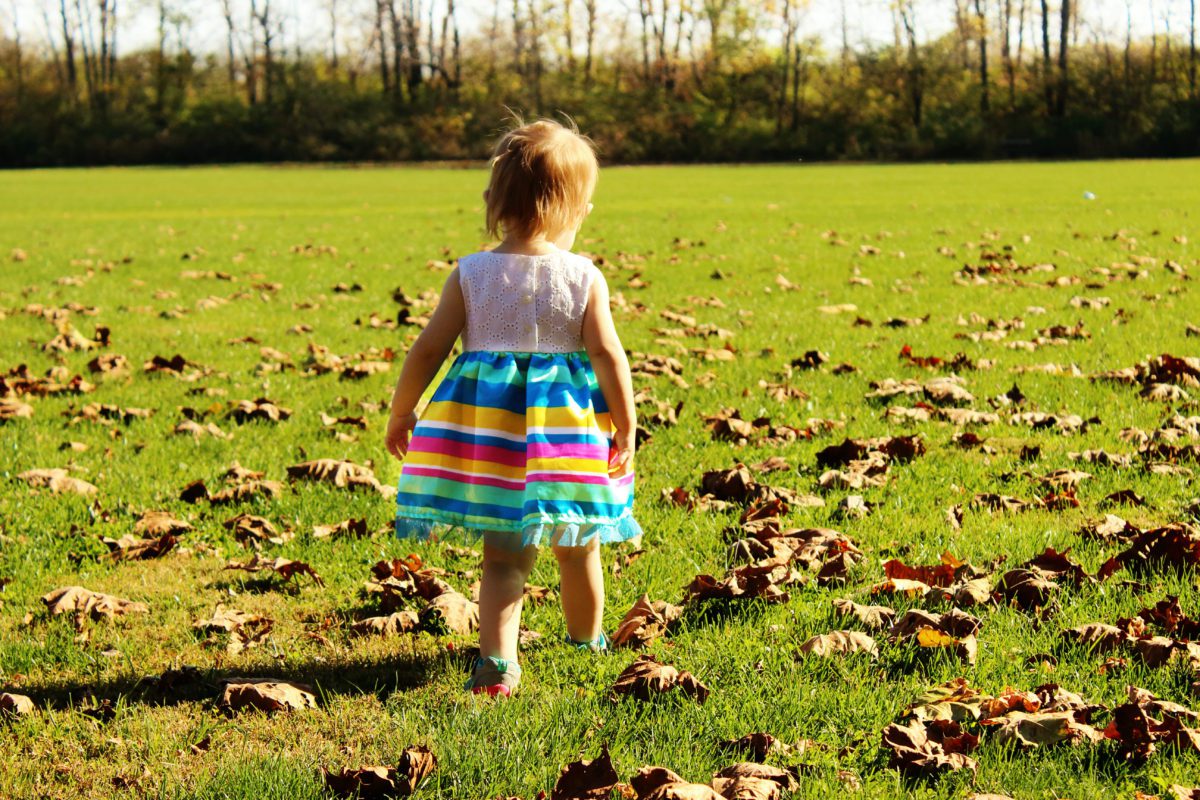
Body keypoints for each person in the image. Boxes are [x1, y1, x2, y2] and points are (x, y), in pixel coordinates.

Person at [384, 119, 642, 697]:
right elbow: (608, 354)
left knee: (502, 560)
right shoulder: (582, 277)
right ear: (574, 211)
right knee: (579, 549)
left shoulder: (472, 273)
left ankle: (498, 665)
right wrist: (625, 423)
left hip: (492, 439)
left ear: (493, 201)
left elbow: (429, 347)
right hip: (566, 438)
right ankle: (586, 640)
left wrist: (403, 411)